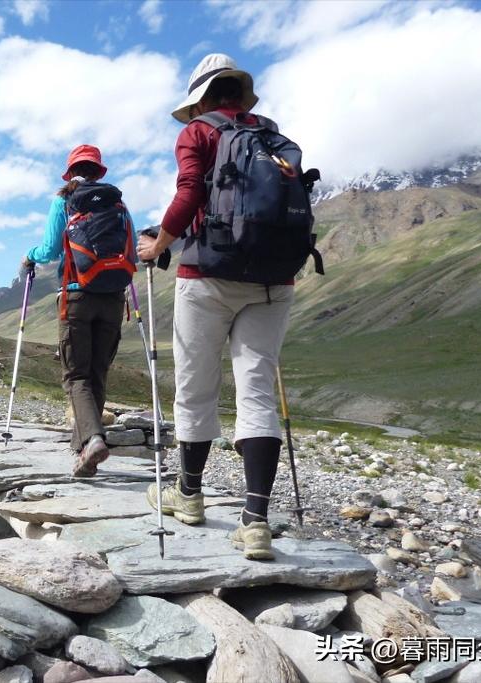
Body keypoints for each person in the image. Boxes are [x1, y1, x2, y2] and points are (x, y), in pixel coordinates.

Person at [138, 53, 294, 561]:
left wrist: (158, 245)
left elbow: (188, 194)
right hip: (273, 279)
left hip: (206, 274)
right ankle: (255, 522)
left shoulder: (198, 132)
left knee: (195, 387)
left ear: (200, 97)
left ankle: (188, 494)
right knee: (255, 391)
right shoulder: (273, 135)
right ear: (240, 93)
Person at [23, 144, 137, 477]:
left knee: (76, 376)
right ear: (99, 171)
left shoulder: (63, 201)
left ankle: (92, 439)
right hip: (114, 298)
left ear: (70, 171)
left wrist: (30, 256)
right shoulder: (118, 205)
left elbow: (49, 249)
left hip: (76, 297)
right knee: (98, 372)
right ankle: (84, 448)